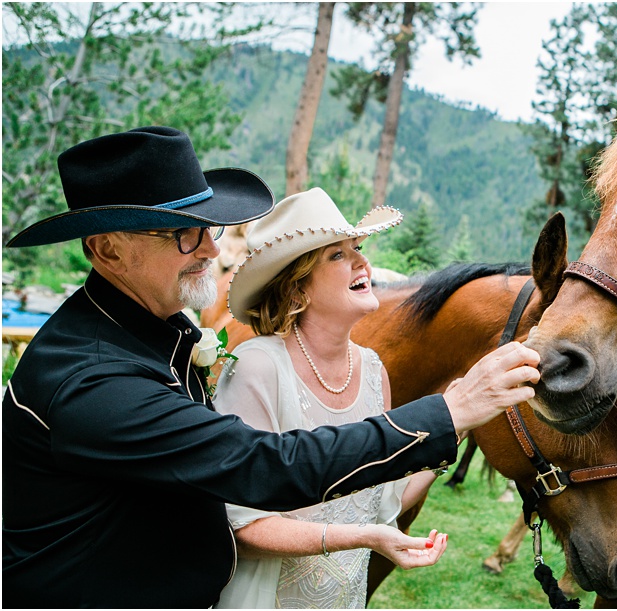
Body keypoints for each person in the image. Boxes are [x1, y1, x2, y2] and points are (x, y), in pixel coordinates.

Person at [1, 126, 541, 608]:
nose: (212, 249)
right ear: (107, 250)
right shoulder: (92, 382)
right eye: (185, 233)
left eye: (209, 228)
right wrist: (450, 411)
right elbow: (265, 466)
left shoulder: (155, 333)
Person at [212, 189, 449, 608]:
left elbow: (380, 500)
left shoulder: (374, 370)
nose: (362, 262)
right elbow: (241, 529)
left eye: (356, 247)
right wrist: (364, 538)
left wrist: (459, 423)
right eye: (336, 255)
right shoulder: (255, 368)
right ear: (296, 289)